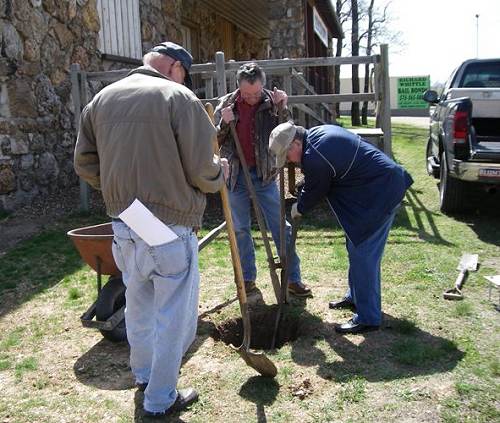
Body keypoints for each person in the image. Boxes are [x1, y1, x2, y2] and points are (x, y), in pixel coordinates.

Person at [74, 41, 226, 417]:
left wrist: (116, 191)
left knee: (139, 306)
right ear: (175, 67)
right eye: (184, 73)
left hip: (123, 222)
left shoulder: (101, 99)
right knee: (174, 316)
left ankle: (143, 376)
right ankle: (160, 399)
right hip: (169, 223)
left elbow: (86, 164)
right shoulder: (179, 97)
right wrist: (221, 171)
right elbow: (202, 171)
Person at [269, 122, 413, 334]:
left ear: (296, 143)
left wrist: (300, 207)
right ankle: (355, 297)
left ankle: (368, 318)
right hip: (372, 190)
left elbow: (317, 187)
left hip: (381, 193)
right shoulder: (317, 134)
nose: (291, 162)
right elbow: (323, 173)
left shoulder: (315, 156)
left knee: (363, 255)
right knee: (354, 245)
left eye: (288, 156)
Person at [214, 62, 312, 297]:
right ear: (238, 88)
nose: (251, 98)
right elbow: (215, 140)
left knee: (281, 227)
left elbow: (287, 132)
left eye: (256, 93)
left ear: (263, 86)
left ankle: (292, 279)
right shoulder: (226, 105)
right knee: (240, 229)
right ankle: (247, 279)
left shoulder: (272, 102)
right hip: (236, 176)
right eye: (247, 94)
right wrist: (224, 123)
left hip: (264, 175)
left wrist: (283, 107)